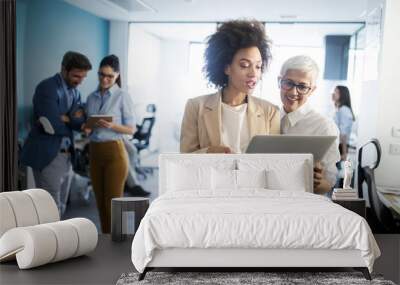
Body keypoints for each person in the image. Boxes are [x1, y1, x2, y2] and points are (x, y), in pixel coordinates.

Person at [180, 20, 280, 153]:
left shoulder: (270, 112)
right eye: (244, 65)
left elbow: (275, 160)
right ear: (226, 67)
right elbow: (185, 158)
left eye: (258, 66)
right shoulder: (196, 107)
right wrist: (209, 152)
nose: (253, 73)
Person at [20, 51, 92, 215]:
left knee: (61, 205)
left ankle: (56, 238)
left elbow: (80, 122)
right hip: (48, 153)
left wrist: (67, 119)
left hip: (67, 155)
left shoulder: (75, 92)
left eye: (83, 77)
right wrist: (70, 120)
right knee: (49, 205)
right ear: (64, 69)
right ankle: (49, 240)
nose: (80, 81)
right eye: (76, 76)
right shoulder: (47, 88)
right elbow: (52, 125)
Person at [84, 55, 136, 233]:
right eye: (101, 75)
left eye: (109, 76)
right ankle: (107, 244)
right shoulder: (91, 98)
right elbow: (87, 126)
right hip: (95, 152)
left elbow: (131, 130)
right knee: (100, 203)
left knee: (113, 203)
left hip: (115, 152)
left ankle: (118, 246)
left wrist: (112, 125)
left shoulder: (122, 96)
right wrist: (87, 128)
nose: (105, 79)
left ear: (117, 76)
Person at [278, 55, 340, 194]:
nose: (294, 92)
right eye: (288, 83)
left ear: (312, 90)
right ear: (279, 82)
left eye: (302, 86)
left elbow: (329, 181)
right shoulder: (268, 118)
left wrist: (318, 182)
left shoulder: (324, 127)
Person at [332, 85, 355, 161]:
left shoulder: (344, 110)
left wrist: (344, 153)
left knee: (339, 171)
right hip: (338, 145)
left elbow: (343, 133)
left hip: (341, 147)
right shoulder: (339, 109)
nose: (334, 93)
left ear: (343, 95)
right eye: (334, 91)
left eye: (337, 92)